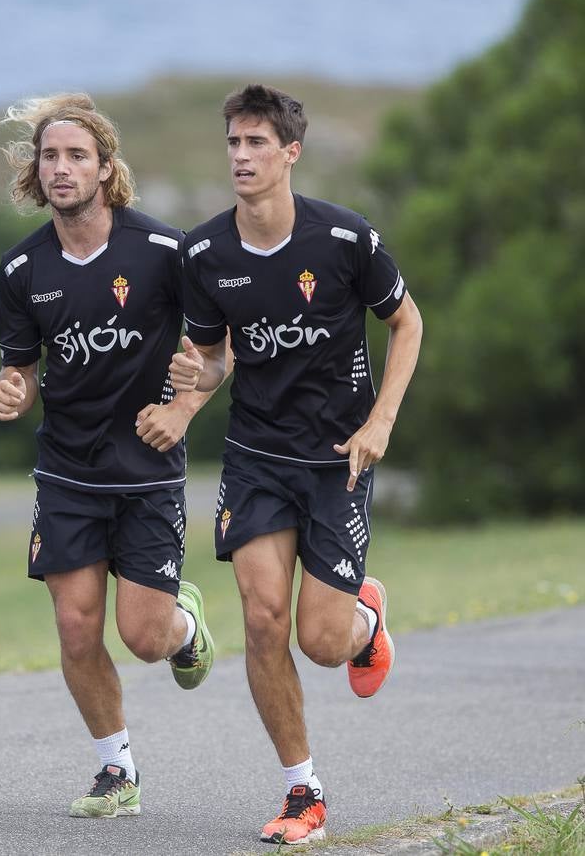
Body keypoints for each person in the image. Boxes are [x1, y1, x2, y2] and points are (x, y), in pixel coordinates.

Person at [169, 84, 423, 846]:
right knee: (261, 617)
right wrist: (194, 384)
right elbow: (216, 362)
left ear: (290, 153)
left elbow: (407, 324)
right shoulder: (205, 253)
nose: (242, 157)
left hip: (336, 459)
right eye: (233, 144)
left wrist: (381, 420)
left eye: (256, 144)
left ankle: (364, 617)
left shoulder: (345, 240)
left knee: (320, 639)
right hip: (255, 457)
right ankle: (301, 790)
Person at [0, 94, 226, 819]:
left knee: (144, 638)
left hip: (148, 471)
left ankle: (185, 625)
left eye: (76, 156)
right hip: (67, 471)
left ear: (105, 168)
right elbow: (23, 369)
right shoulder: (22, 269)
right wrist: (13, 390)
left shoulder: (162, 251)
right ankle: (115, 770)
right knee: (75, 625)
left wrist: (184, 405)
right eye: (49, 157)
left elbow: (221, 347)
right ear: (35, 173)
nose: (60, 169)